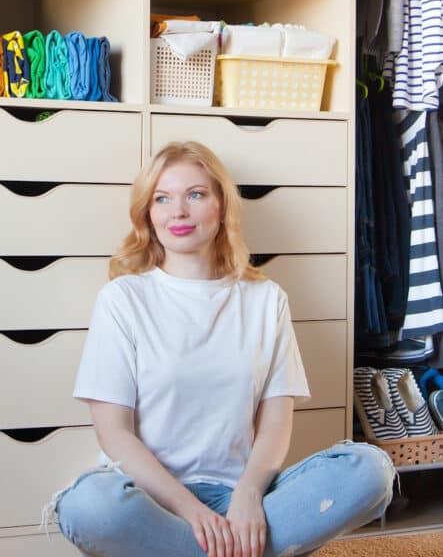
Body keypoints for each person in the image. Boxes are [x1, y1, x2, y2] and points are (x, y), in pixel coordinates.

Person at [46, 140, 395, 557]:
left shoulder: (267, 300)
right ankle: (231, 549)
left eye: (195, 194)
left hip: (241, 497)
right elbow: (114, 433)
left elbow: (275, 425)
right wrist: (192, 512)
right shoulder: (123, 299)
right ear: (148, 213)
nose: (178, 211)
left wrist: (248, 496)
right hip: (153, 501)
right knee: (91, 507)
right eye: (162, 198)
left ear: (222, 205)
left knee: (371, 472)